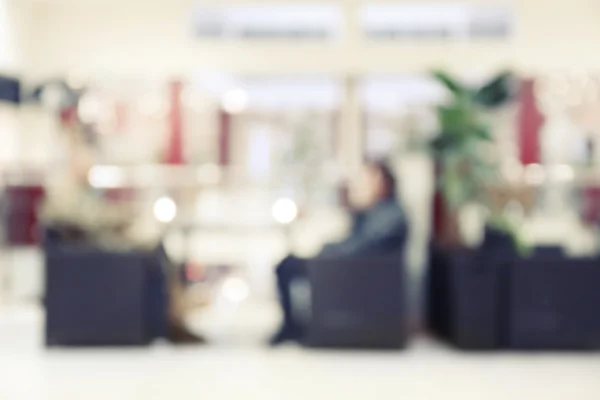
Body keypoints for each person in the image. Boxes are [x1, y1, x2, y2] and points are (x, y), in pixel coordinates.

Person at [40, 124, 204, 344]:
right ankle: (174, 313)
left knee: (157, 249)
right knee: (154, 247)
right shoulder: (65, 190)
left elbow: (94, 214)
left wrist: (121, 215)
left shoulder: (80, 188)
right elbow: (89, 219)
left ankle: (172, 313)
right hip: (93, 248)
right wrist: (122, 217)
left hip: (95, 243)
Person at [269, 160, 408, 346]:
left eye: (367, 179)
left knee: (288, 266)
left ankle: (292, 327)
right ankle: (292, 325)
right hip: (347, 265)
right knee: (287, 264)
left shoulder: (390, 213)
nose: (361, 185)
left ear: (382, 182)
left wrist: (327, 251)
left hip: (355, 270)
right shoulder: (374, 211)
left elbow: (362, 247)